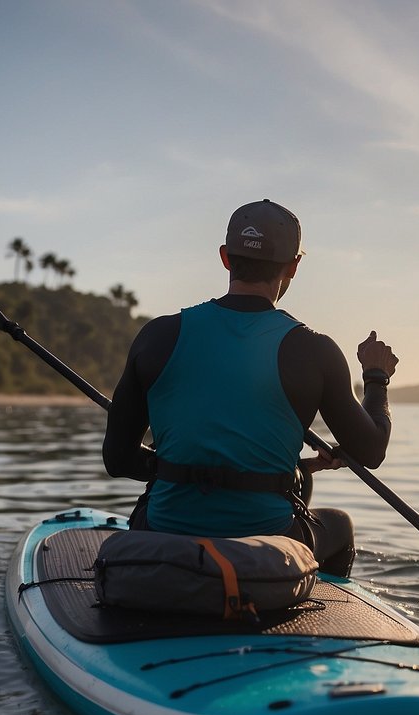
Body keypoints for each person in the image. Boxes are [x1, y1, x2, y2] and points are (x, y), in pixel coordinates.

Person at [102, 199, 398, 577]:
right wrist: (376, 377)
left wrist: (182, 470)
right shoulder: (315, 350)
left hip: (164, 529)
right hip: (268, 542)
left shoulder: (157, 335)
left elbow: (118, 460)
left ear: (226, 258)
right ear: (293, 266)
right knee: (339, 525)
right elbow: (371, 450)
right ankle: (313, 608)